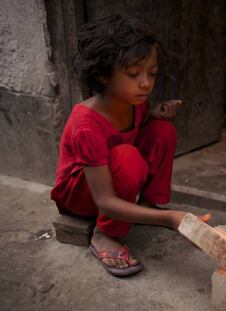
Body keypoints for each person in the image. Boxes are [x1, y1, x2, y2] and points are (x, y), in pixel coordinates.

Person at [50, 15, 211, 277]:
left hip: (114, 180)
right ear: (103, 75)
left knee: (163, 131)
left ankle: (146, 206)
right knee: (127, 157)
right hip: (81, 197)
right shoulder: (86, 124)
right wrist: (171, 219)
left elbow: (130, 133)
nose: (146, 83)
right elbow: (106, 200)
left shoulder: (135, 104)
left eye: (152, 73)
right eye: (134, 74)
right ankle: (104, 234)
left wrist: (154, 116)